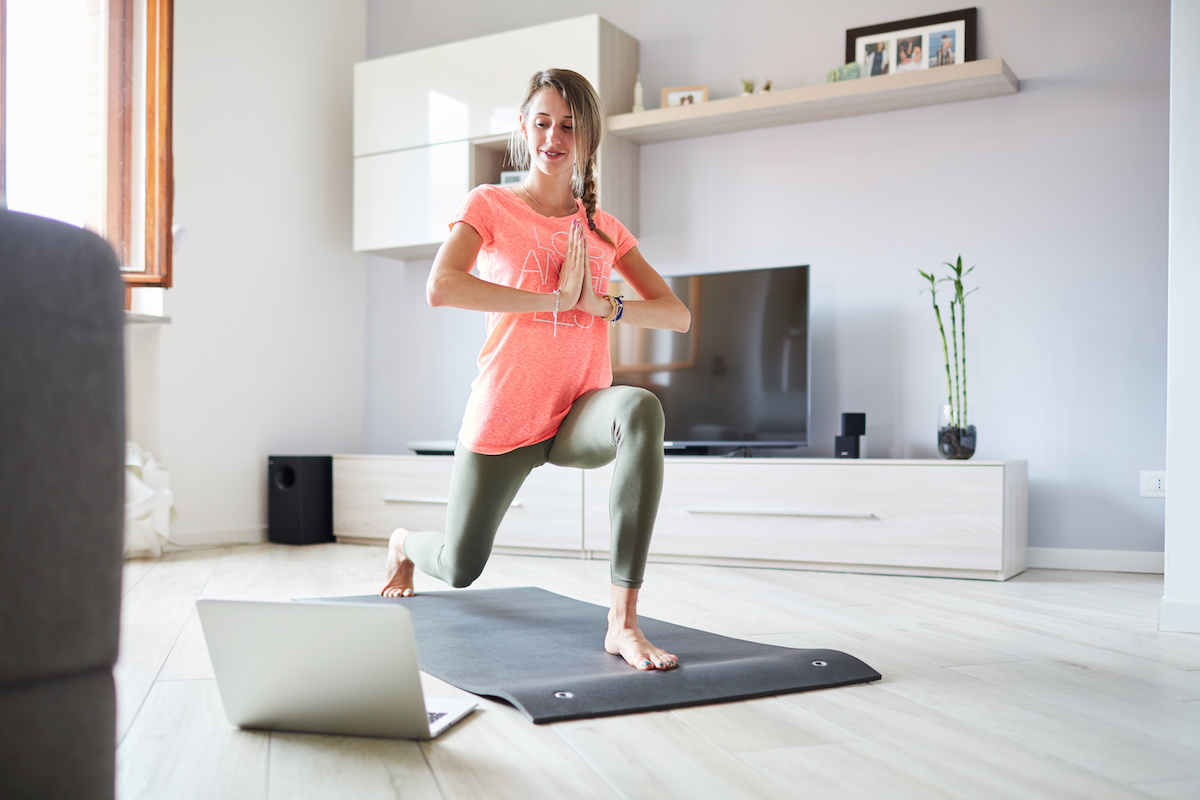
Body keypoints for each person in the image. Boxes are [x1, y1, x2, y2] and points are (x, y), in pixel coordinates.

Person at [380, 68, 691, 672]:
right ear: (524, 128)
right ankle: (404, 545)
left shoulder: (603, 229)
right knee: (460, 567)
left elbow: (676, 314)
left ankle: (622, 624)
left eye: (569, 127)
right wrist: (553, 299)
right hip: (506, 413)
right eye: (543, 122)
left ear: (588, 138)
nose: (555, 137)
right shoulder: (490, 204)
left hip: (578, 412)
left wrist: (602, 305)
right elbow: (442, 286)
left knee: (640, 408)